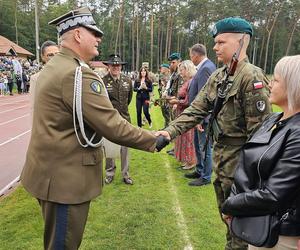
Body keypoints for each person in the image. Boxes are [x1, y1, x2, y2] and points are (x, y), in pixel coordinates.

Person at [20, 7, 163, 249]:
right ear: (77, 35)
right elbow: (112, 125)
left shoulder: (54, 67)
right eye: (93, 33)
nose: (99, 38)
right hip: (65, 180)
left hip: (47, 174)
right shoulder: (76, 75)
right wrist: (153, 139)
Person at [156, 17, 272, 250]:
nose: (215, 47)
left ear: (241, 42)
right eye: (215, 42)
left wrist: (249, 180)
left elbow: (260, 137)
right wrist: (169, 132)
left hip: (242, 163)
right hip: (222, 155)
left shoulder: (251, 77)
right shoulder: (220, 76)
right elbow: (196, 109)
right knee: (227, 217)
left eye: (221, 42)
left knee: (241, 224)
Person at [222, 55, 300, 250]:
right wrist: (236, 200)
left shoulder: (298, 133)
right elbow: (247, 166)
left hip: (280, 234)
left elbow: (274, 195)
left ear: (293, 86)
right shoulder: (273, 119)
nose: (269, 84)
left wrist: (231, 205)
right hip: (257, 220)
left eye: (276, 80)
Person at [185, 43, 216, 186]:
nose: (191, 58)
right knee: (198, 145)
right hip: (199, 116)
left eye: (191, 55)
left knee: (205, 147)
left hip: (203, 118)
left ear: (196, 55)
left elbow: (206, 97)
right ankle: (200, 170)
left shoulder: (206, 68)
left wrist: (200, 119)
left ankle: (206, 177)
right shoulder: (204, 67)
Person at [102, 54, 134, 185]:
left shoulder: (127, 80)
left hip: (125, 119)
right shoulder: (103, 81)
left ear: (121, 66)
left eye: (118, 65)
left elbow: (129, 98)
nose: (116, 67)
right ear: (108, 66)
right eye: (113, 65)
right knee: (110, 147)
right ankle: (110, 173)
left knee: (125, 148)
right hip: (110, 120)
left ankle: (126, 174)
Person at [168, 60, 197, 170]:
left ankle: (191, 162)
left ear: (188, 69)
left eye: (182, 70)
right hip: (182, 112)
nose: (180, 72)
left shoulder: (191, 82)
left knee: (188, 138)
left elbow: (188, 101)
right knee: (183, 137)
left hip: (187, 113)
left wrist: (176, 102)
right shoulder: (186, 82)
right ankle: (186, 160)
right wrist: (176, 100)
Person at [29, 40, 59, 122]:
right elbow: (34, 107)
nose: (54, 57)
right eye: (50, 55)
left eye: (57, 54)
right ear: (43, 57)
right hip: (48, 124)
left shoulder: (71, 74)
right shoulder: (36, 79)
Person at [165, 52, 183, 156]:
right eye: (171, 63)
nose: (171, 65)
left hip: (177, 102)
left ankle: (176, 147)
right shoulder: (174, 74)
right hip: (172, 101)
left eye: (173, 62)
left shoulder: (180, 73)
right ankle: (175, 147)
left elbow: (180, 90)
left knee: (177, 125)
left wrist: (176, 101)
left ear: (179, 61)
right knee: (174, 124)